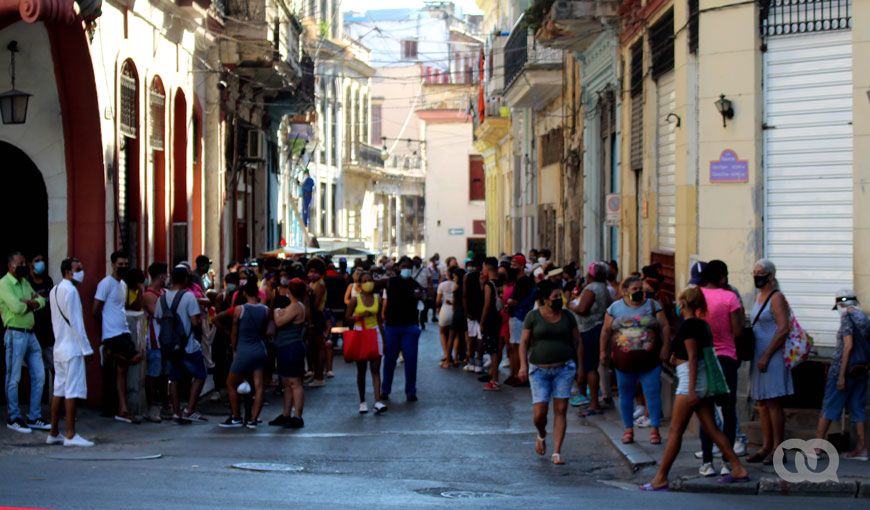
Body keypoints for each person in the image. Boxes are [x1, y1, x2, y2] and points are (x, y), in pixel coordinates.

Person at [642, 288, 750, 490]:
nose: (677, 306)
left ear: (684, 304)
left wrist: (690, 390)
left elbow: (692, 357)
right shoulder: (702, 325)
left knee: (675, 431)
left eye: (679, 302)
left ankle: (661, 477)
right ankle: (737, 467)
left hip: (689, 383)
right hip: (700, 382)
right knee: (712, 428)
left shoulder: (689, 326)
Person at [600, 276, 670, 445]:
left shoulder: (653, 306)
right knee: (626, 395)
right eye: (635, 289)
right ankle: (628, 430)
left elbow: (665, 326)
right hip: (624, 362)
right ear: (625, 291)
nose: (640, 292)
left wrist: (666, 347)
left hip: (650, 361)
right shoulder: (614, 308)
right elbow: (605, 331)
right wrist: (602, 352)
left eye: (641, 289)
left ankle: (654, 429)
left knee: (652, 393)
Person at [518, 280, 582, 465]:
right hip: (539, 370)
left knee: (561, 409)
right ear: (545, 299)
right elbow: (523, 343)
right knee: (540, 414)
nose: (559, 300)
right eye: (555, 297)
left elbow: (578, 342)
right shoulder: (533, 316)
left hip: (565, 368)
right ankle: (541, 433)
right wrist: (522, 366)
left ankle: (556, 452)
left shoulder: (568, 316)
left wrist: (580, 367)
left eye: (559, 296)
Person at [697, 261, 744, 476]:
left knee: (705, 411)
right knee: (728, 411)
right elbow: (737, 331)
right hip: (726, 357)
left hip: (703, 357)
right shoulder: (730, 298)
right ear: (722, 277)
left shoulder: (694, 295)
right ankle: (727, 461)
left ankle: (707, 461)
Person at [747, 258, 794, 464]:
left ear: (771, 275)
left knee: (773, 402)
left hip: (772, 356)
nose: (757, 276)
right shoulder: (758, 297)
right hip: (759, 356)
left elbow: (783, 328)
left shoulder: (776, 297)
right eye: (755, 272)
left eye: (761, 273)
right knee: (762, 402)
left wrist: (767, 355)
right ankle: (766, 446)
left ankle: (778, 448)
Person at [814, 289, 869, 460]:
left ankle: (816, 448)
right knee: (858, 409)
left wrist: (841, 376)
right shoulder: (864, 318)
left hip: (844, 369)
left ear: (841, 303)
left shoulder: (847, 317)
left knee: (830, 405)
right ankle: (862, 449)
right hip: (861, 370)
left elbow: (848, 345)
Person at [46, 257, 94, 446]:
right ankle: (71, 434)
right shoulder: (72, 291)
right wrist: (87, 348)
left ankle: (54, 432)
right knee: (71, 392)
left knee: (58, 390)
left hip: (59, 347)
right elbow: (77, 323)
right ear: (68, 271)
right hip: (72, 348)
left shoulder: (54, 290)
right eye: (78, 268)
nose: (81, 271)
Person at [1, 252, 49, 433]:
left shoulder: (24, 282)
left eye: (24, 262)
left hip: (30, 334)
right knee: (14, 377)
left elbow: (42, 301)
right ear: (11, 265)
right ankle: (13, 417)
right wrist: (30, 303)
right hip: (15, 334)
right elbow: (17, 307)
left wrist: (30, 302)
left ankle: (33, 416)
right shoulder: (3, 284)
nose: (24, 265)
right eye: (20, 263)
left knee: (40, 375)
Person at [156, 266, 208, 424]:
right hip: (187, 345)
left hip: (168, 345)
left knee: (173, 378)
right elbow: (194, 321)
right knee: (200, 374)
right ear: (186, 280)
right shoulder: (189, 297)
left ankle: (176, 412)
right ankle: (189, 409)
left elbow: (159, 318)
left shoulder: (162, 298)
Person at [94, 251, 141, 423]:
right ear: (113, 264)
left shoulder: (123, 284)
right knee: (136, 357)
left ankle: (122, 409)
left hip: (124, 330)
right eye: (120, 264)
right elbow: (95, 309)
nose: (123, 266)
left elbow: (130, 305)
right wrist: (106, 327)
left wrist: (139, 290)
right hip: (112, 333)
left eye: (125, 263)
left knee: (122, 371)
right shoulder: (105, 283)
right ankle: (110, 352)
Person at [220, 281, 269, 428]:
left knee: (231, 383)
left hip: (243, 350)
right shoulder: (265, 310)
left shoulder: (239, 310)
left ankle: (236, 417)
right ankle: (254, 419)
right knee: (259, 386)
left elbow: (235, 333)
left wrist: (234, 348)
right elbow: (264, 331)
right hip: (260, 350)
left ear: (244, 293)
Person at [570, 262, 612, 416]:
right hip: (598, 328)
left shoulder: (592, 288)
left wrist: (571, 304)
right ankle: (590, 401)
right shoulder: (604, 288)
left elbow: (582, 309)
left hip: (589, 330)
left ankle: (594, 404)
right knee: (591, 366)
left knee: (589, 367)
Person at [381, 257, 422, 402]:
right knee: (389, 360)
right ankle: (385, 390)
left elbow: (422, 296)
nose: (406, 269)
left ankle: (410, 391)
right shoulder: (392, 282)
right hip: (393, 326)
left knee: (411, 361)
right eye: (403, 266)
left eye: (408, 267)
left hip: (409, 326)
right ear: (398, 267)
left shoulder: (415, 284)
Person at [346, 272, 387, 414]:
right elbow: (347, 317)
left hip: (375, 332)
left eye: (370, 280)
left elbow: (380, 321)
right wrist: (358, 316)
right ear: (360, 283)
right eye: (365, 280)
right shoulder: (355, 300)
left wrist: (384, 339)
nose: (368, 282)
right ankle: (362, 401)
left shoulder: (377, 298)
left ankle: (377, 401)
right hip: (360, 333)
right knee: (361, 370)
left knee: (376, 369)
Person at [270, 279, 308, 428]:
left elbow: (279, 322)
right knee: (287, 383)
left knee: (295, 383)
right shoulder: (295, 306)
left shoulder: (295, 307)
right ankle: (286, 414)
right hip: (286, 347)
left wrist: (275, 312)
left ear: (289, 291)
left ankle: (297, 417)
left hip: (292, 348)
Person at [141, 262, 168, 423]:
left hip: (165, 340)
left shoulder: (164, 293)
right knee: (153, 374)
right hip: (154, 340)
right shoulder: (148, 296)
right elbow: (158, 314)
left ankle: (164, 405)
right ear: (161, 276)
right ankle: (152, 407)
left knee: (164, 375)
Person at [28, 254, 55, 400]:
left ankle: (60, 406)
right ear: (29, 264)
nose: (41, 263)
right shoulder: (26, 283)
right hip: (34, 334)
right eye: (36, 261)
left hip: (49, 333)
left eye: (42, 260)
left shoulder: (48, 280)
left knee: (55, 369)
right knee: (37, 374)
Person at [480, 257, 503, 390]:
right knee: (497, 349)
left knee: (493, 351)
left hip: (491, 320)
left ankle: (494, 380)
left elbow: (487, 305)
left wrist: (482, 322)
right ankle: (495, 378)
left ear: (488, 267)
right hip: (500, 318)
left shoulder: (489, 285)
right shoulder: (501, 281)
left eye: (483, 267)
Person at [306, 258, 327, 387]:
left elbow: (315, 304)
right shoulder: (313, 283)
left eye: (314, 271)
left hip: (317, 316)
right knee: (313, 348)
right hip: (314, 316)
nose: (311, 273)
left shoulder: (320, 284)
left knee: (318, 347)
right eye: (310, 271)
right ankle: (315, 374)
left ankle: (319, 377)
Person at [463, 258, 484, 373]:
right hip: (482, 310)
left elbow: (465, 295)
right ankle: (479, 363)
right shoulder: (484, 277)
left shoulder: (467, 276)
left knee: (471, 336)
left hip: (470, 310)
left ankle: (471, 362)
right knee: (481, 337)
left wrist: (466, 311)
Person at [436, 268, 457, 368]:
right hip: (455, 311)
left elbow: (438, 301)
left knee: (442, 332)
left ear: (447, 274)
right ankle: (455, 357)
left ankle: (446, 354)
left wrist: (437, 309)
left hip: (445, 310)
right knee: (455, 335)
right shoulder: (457, 285)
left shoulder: (442, 285)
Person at [449, 267, 468, 367]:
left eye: (454, 277)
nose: (453, 279)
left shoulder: (456, 287)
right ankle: (467, 358)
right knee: (465, 337)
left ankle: (449, 359)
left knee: (452, 336)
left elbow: (456, 302)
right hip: (464, 313)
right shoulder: (466, 287)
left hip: (458, 312)